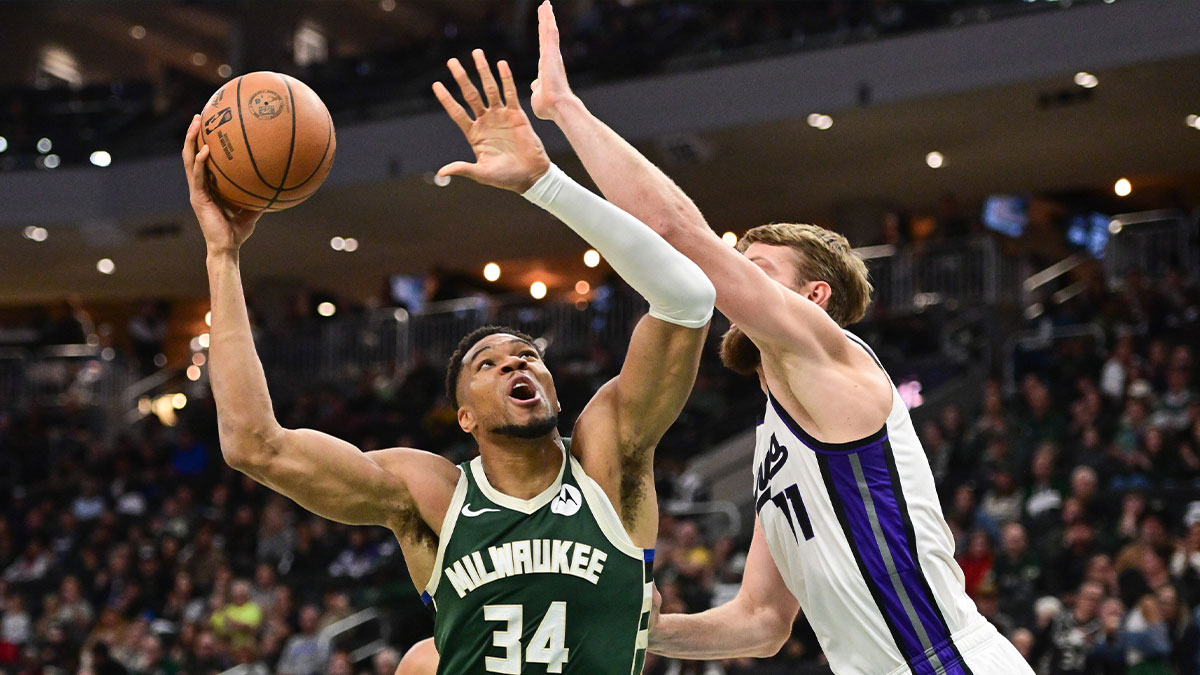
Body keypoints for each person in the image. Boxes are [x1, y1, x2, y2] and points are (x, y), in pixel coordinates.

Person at [509, 3, 1034, 672]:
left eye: (755, 271)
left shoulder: (828, 354)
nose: (733, 288)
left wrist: (563, 113)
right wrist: (636, 627)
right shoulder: (777, 437)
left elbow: (678, 237)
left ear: (814, 298)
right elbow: (759, 623)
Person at [182, 41, 715, 674]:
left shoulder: (610, 457)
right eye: (488, 365)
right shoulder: (432, 497)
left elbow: (687, 298)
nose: (518, 365)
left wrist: (546, 184)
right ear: (464, 417)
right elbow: (253, 445)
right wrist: (223, 257)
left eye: (526, 356)